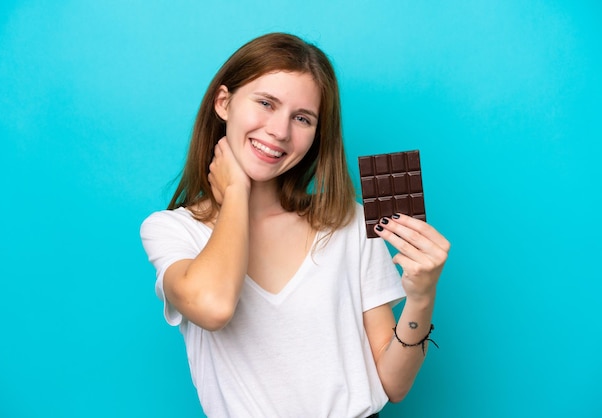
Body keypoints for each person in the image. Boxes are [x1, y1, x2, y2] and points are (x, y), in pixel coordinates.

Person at [140, 32, 450, 418]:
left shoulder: (346, 220)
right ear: (224, 103)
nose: (280, 131)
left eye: (302, 118)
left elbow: (394, 384)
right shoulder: (171, 230)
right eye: (266, 103)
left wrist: (422, 295)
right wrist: (236, 192)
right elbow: (214, 307)